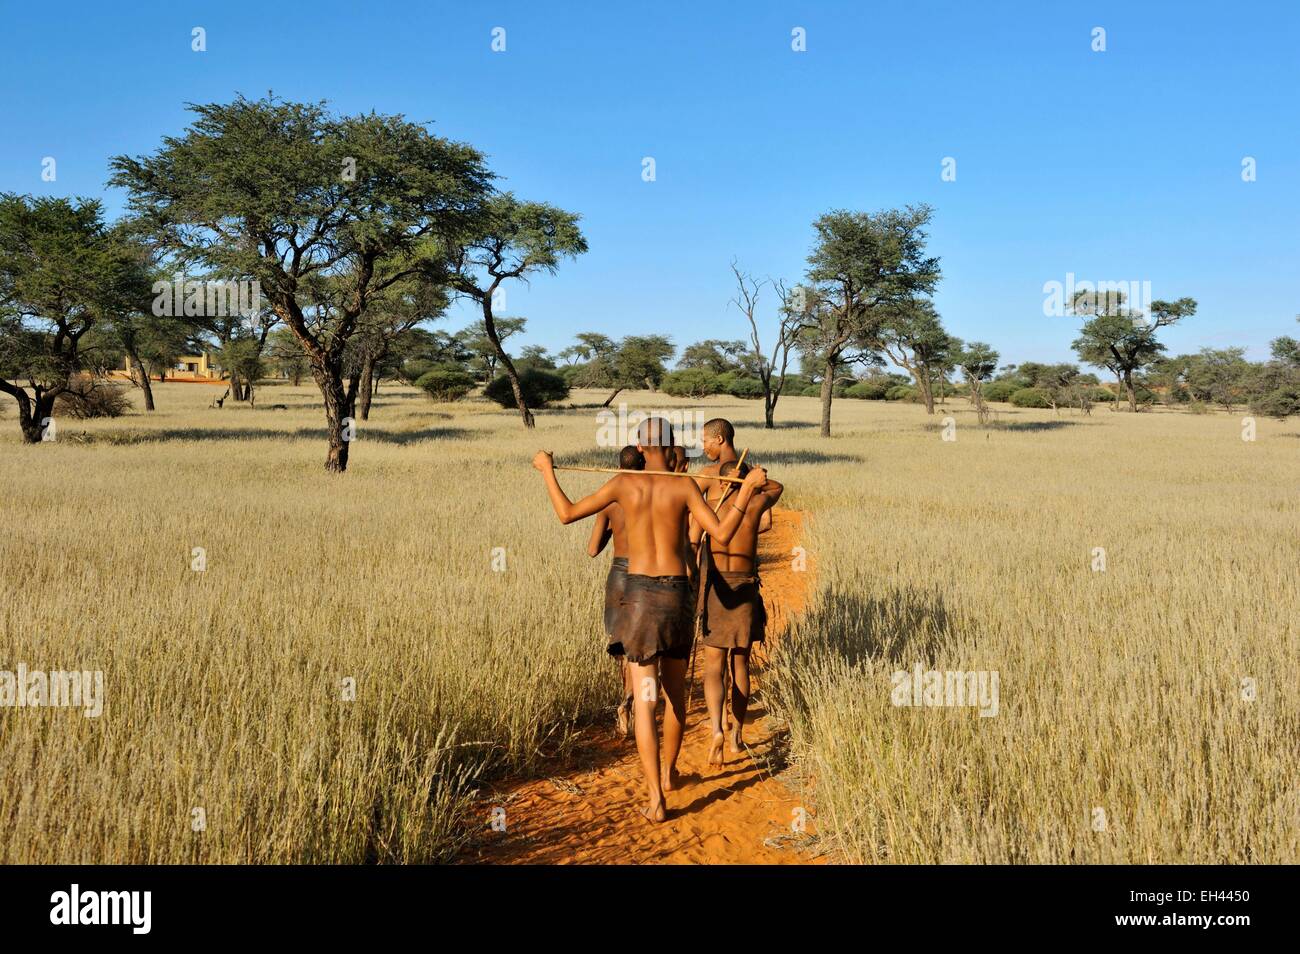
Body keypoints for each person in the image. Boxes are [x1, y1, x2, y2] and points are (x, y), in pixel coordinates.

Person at [534, 417, 768, 822]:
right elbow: (722, 533)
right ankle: (670, 776)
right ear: (672, 445)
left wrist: (547, 471)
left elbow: (567, 513)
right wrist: (745, 491)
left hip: (640, 599)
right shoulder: (684, 486)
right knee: (675, 696)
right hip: (677, 595)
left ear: (641, 448)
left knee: (647, 702)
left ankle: (656, 799)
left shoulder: (624, 484)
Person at [690, 459, 783, 763]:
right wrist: (757, 479)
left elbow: (692, 542)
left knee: (713, 667)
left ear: (719, 481)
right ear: (743, 480)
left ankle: (717, 727)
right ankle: (736, 735)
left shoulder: (710, 509)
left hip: (717, 590)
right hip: (743, 588)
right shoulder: (754, 506)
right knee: (739, 666)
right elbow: (777, 488)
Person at [587, 445, 644, 737]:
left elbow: (593, 549)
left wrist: (611, 528)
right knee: (640, 646)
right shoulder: (648, 493)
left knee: (621, 647)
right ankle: (631, 702)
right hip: (643, 573)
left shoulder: (609, 500)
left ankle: (626, 703)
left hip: (617, 574)